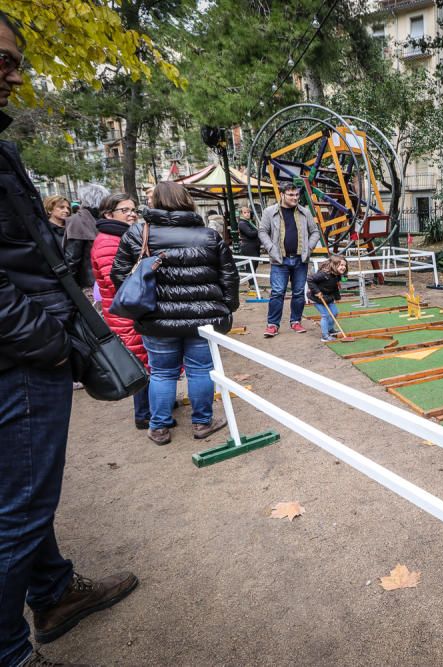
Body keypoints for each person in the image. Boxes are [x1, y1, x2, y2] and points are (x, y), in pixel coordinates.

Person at [0, 13, 138, 667]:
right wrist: (48, 340)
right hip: (21, 356)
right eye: (2, 58)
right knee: (20, 509)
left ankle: (54, 592)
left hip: (27, 344)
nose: (14, 72)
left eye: (16, 59)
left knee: (24, 492)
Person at [112, 181, 239, 446]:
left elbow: (120, 275)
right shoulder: (208, 235)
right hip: (204, 317)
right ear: (186, 200)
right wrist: (227, 307)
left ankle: (159, 426)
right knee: (201, 370)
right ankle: (202, 422)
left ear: (155, 201)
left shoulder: (137, 233)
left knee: (161, 373)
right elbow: (229, 276)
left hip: (156, 318)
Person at [92, 192, 173, 432]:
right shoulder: (108, 242)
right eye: (124, 210)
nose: (131, 214)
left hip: (131, 309)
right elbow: (119, 281)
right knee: (143, 363)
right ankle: (145, 414)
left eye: (133, 209)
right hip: (127, 312)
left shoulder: (120, 237)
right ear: (109, 214)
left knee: (148, 359)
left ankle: (157, 405)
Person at [258, 182, 320, 337]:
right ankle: (272, 325)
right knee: (277, 292)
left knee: (299, 293)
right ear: (282, 194)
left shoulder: (304, 212)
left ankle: (296, 321)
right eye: (291, 195)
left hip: (300, 260)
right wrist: (271, 249)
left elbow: (315, 232)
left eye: (297, 195)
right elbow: (262, 231)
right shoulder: (269, 212)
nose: (295, 198)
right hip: (280, 260)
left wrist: (309, 248)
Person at [63, 182, 107, 292]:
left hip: (91, 284)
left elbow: (71, 258)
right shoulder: (103, 217)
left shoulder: (77, 220)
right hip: (96, 282)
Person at [307, 255, 348, 342]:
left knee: (335, 312)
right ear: (334, 265)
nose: (343, 267)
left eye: (344, 265)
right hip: (317, 298)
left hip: (328, 297)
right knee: (325, 315)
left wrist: (337, 297)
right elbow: (310, 279)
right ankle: (325, 336)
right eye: (341, 265)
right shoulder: (324, 274)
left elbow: (335, 287)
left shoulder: (337, 275)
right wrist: (317, 291)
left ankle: (330, 329)